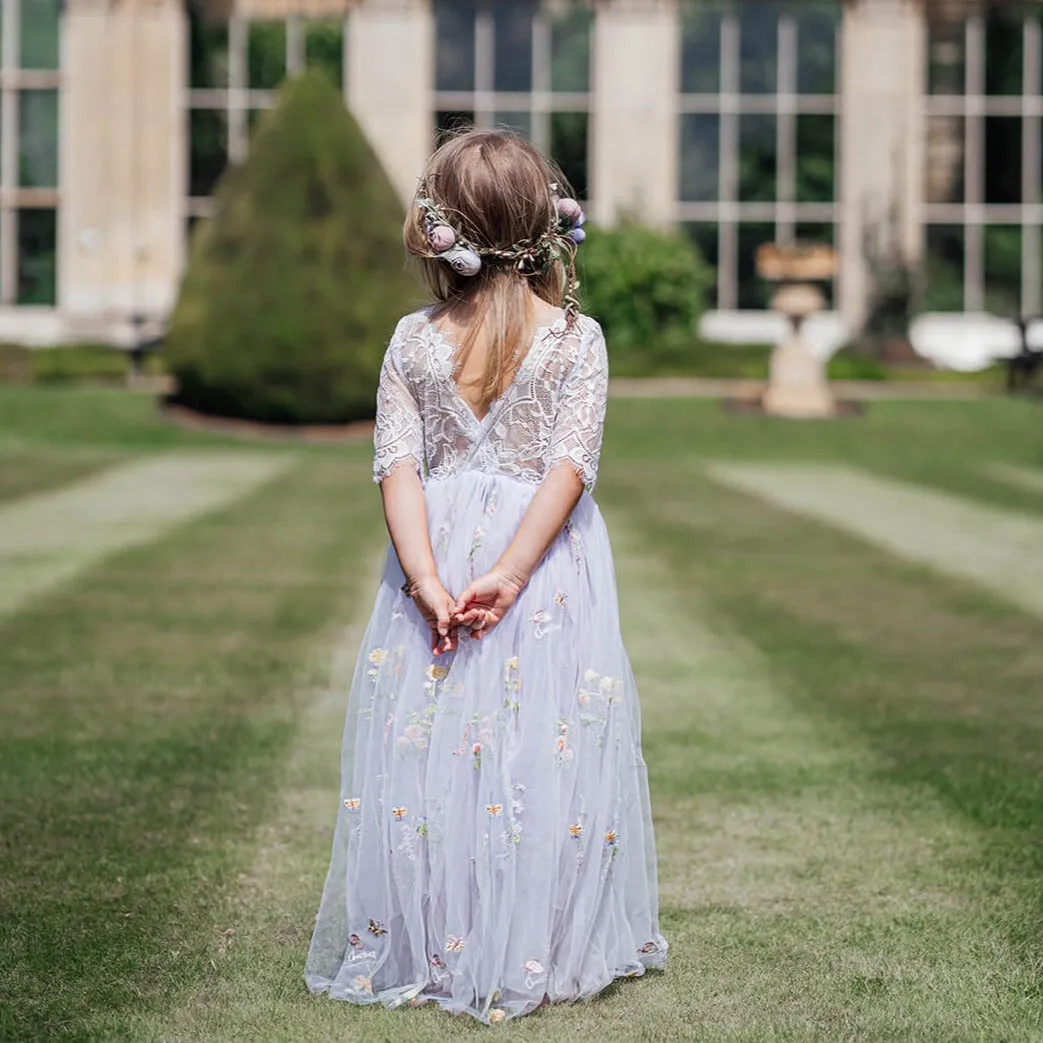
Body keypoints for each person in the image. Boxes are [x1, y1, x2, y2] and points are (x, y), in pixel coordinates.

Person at [305, 129, 667, 1025]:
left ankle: (438, 939)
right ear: (545, 222)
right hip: (540, 560)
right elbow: (569, 467)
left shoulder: (414, 339)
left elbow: (396, 464)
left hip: (440, 550)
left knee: (432, 741)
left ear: (444, 225)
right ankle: (538, 938)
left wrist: (427, 579)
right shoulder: (576, 339)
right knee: (543, 739)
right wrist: (508, 572)